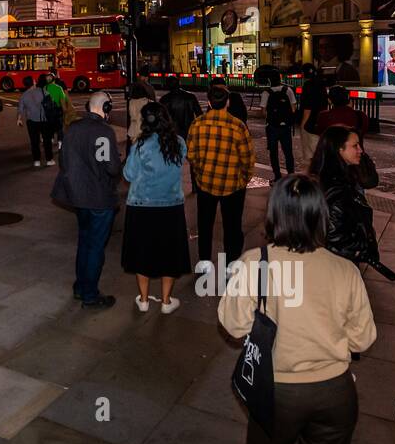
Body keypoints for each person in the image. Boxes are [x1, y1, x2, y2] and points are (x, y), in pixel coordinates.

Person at [217, 173, 378, 444]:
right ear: (321, 215)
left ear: (274, 214)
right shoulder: (345, 270)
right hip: (335, 394)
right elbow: (362, 340)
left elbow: (233, 325)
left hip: (278, 393)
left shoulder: (255, 262)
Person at [51, 92, 122, 309]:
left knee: (84, 241)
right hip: (99, 198)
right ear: (106, 108)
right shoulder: (104, 132)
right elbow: (111, 167)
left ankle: (80, 287)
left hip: (77, 197)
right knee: (95, 247)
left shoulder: (73, 128)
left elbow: (63, 160)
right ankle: (90, 294)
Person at [121, 102, 190, 314]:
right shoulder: (178, 143)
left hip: (142, 205)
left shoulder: (140, 145)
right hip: (171, 206)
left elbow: (129, 175)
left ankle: (143, 300)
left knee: (143, 252)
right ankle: (166, 301)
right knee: (169, 253)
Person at [309, 126, 395, 281]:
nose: (361, 150)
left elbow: (370, 180)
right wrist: (361, 248)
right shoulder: (338, 190)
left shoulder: (334, 176)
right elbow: (334, 238)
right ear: (339, 150)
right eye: (355, 146)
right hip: (339, 266)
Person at [186, 85, 254, 273]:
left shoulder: (197, 124)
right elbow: (248, 158)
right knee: (232, 227)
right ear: (228, 102)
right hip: (233, 185)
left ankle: (204, 264)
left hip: (206, 183)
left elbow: (191, 155)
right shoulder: (238, 125)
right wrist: (243, 180)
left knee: (205, 226)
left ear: (208, 102)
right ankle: (231, 266)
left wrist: (200, 174)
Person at [261, 78, 297, 181]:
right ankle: (291, 175)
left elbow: (263, 112)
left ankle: (277, 176)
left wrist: (272, 116)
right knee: (288, 152)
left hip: (272, 126)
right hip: (285, 126)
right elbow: (293, 108)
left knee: (273, 152)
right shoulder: (288, 90)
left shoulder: (266, 92)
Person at [16, 74, 54, 167]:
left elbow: (20, 109)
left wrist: (19, 119)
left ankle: (36, 160)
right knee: (46, 140)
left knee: (34, 141)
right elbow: (50, 102)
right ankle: (49, 160)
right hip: (44, 120)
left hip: (31, 121)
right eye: (34, 80)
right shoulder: (42, 91)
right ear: (33, 82)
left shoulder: (23, 96)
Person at [159, 75, 203, 144]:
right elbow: (199, 115)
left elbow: (161, 119)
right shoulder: (190, 97)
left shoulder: (164, 99)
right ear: (179, 83)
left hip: (172, 133)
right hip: (188, 131)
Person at [297, 64, 328, 161]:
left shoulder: (308, 85)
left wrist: (303, 124)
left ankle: (313, 174)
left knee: (310, 155)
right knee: (320, 152)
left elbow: (308, 107)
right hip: (321, 122)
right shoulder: (322, 84)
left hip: (310, 124)